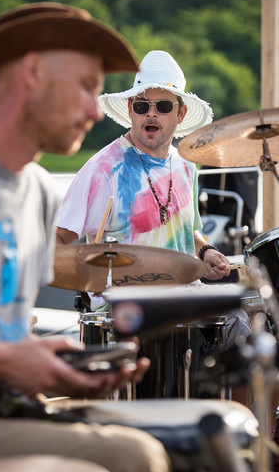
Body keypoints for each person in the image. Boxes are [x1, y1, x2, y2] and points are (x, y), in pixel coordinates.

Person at [0, 3, 181, 472]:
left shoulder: (36, 188)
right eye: (85, 85)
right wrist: (7, 364)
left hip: (2, 412)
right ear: (33, 73)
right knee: (137, 459)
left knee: (181, 440)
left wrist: (52, 362)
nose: (93, 108)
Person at [56, 50, 231, 305]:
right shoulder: (102, 170)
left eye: (163, 106)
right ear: (130, 110)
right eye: (141, 106)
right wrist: (82, 279)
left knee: (248, 324)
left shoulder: (186, 166)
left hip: (186, 303)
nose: (150, 114)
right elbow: (58, 239)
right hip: (127, 314)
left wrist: (206, 251)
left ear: (180, 115)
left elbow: (186, 233)